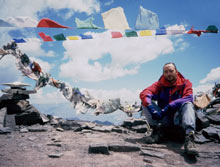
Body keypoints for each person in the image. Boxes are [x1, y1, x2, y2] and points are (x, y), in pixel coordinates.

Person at [139, 62, 198, 156]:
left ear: (176, 71)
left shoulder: (185, 83)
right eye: (165, 72)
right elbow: (145, 93)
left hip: (179, 118)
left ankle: (189, 137)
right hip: (165, 117)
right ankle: (157, 131)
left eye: (171, 71)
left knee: (187, 104)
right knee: (144, 102)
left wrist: (170, 106)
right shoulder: (160, 84)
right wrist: (150, 107)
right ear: (163, 73)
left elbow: (189, 97)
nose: (168, 74)